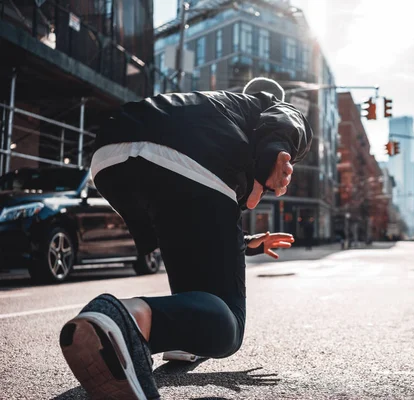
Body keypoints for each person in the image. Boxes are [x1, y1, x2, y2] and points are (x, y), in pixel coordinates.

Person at [58, 77, 313, 399]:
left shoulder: (215, 105)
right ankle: (124, 320)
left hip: (111, 156)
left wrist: (247, 241)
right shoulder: (269, 105)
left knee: (196, 286)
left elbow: (202, 227)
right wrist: (275, 153)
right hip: (193, 161)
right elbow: (286, 119)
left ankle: (181, 339)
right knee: (228, 328)